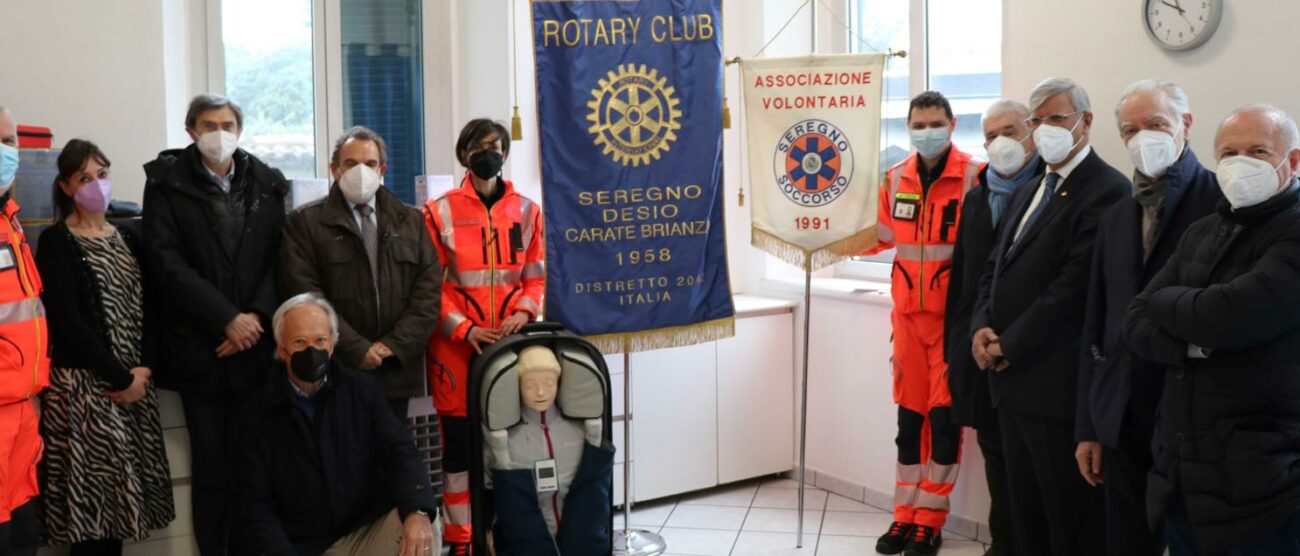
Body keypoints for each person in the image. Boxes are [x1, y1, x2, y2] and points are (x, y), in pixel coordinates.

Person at [1126, 103, 1300, 556]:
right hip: (1182, 476)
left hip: (1266, 485)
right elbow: (1137, 320)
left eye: (1258, 151)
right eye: (1228, 153)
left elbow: (1232, 314)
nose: (1240, 163)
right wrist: (1199, 345)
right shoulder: (1204, 229)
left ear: (1293, 160)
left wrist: (1172, 305)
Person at [970, 78, 1128, 555]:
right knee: (1026, 519)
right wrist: (980, 326)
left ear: (1086, 121)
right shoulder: (1032, 187)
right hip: (1011, 387)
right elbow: (994, 267)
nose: (1045, 131)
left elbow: (1071, 291)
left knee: (1069, 526)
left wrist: (1008, 345)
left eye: (1057, 119)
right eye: (1037, 122)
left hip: (1056, 391)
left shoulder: (1106, 191)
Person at [1074, 80, 1220, 556]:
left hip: (1193, 423)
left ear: (1186, 125)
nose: (1144, 138)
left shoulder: (1224, 204)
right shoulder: (1118, 216)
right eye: (1131, 130)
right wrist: (1089, 427)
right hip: (1123, 416)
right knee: (1127, 540)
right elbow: (1096, 327)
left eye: (1156, 125)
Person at [143, 93, 288, 555]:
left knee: (258, 467)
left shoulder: (266, 182)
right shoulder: (166, 183)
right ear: (190, 130)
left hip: (257, 350)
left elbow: (278, 259)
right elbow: (166, 264)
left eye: (228, 124)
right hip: (200, 350)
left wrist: (255, 321)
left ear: (239, 130)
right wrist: (226, 320)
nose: (219, 134)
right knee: (212, 473)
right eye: (209, 125)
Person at [35, 140, 176, 555]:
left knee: (121, 512)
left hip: (133, 387)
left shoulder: (130, 234)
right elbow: (69, 324)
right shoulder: (57, 242)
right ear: (66, 187)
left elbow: (151, 305)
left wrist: (144, 369)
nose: (97, 185)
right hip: (86, 393)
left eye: (102, 174)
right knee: (93, 516)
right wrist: (120, 378)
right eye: (84, 178)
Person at [867, 91, 982, 556]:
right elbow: (876, 236)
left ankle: (930, 522)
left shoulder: (977, 176)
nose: (926, 131)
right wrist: (820, 232)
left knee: (945, 422)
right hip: (907, 324)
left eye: (935, 123)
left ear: (952, 125)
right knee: (909, 424)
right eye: (918, 124)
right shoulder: (896, 180)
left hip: (951, 326)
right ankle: (903, 517)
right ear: (909, 128)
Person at [236, 293, 439, 556]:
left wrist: (418, 511)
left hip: (363, 533)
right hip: (301, 547)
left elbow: (400, 451)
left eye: (320, 340)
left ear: (332, 345)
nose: (312, 350)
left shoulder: (362, 390)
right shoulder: (255, 412)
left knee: (425, 527)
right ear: (281, 348)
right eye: (300, 342)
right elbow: (255, 507)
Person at [424, 119, 544, 555]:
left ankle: (497, 533)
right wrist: (465, 327)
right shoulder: (438, 212)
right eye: (478, 146)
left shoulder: (529, 211)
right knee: (458, 453)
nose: (487, 153)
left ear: (506, 154)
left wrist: (523, 313)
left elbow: (535, 278)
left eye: (495, 146)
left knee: (505, 447)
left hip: (508, 347)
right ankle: (460, 542)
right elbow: (429, 287)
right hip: (456, 350)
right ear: (463, 154)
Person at [280, 126, 441, 421]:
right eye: (351, 164)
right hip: (335, 366)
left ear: (383, 169)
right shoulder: (305, 223)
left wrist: (393, 345)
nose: (361, 172)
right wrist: (357, 349)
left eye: (369, 164)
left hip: (395, 368)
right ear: (335, 169)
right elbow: (305, 293)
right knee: (343, 456)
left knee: (390, 456)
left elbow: (428, 292)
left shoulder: (411, 221)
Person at [944, 99, 1044, 556]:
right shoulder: (978, 196)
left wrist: (1012, 339)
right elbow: (964, 280)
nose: (999, 143)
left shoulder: (1051, 189)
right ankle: (1003, 545)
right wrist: (961, 346)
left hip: (1030, 356)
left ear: (1033, 131)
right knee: (997, 460)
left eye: (1010, 130)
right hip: (980, 351)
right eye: (990, 135)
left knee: (1035, 468)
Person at [0, 106, 48, 556]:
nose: (5, 151)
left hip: (21, 408)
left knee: (22, 537)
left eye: (9, 141)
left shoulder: (10, 221)